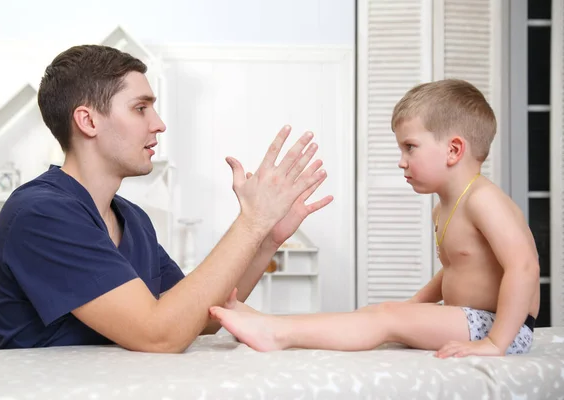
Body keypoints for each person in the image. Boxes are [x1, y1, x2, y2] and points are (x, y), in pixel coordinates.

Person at [0, 44, 333, 352]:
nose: (160, 124)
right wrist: (251, 220)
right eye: (141, 108)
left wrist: (265, 239)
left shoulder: (133, 220)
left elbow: (202, 316)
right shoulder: (40, 214)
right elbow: (160, 334)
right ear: (88, 120)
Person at [210, 79, 541, 357]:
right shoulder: (444, 207)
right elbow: (456, 268)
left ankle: (277, 333)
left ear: (454, 150)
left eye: (410, 147)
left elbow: (524, 267)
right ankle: (271, 322)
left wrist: (496, 342)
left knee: (386, 318)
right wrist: (414, 304)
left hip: (501, 325)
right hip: (470, 318)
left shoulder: (484, 200)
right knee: (379, 313)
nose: (401, 161)